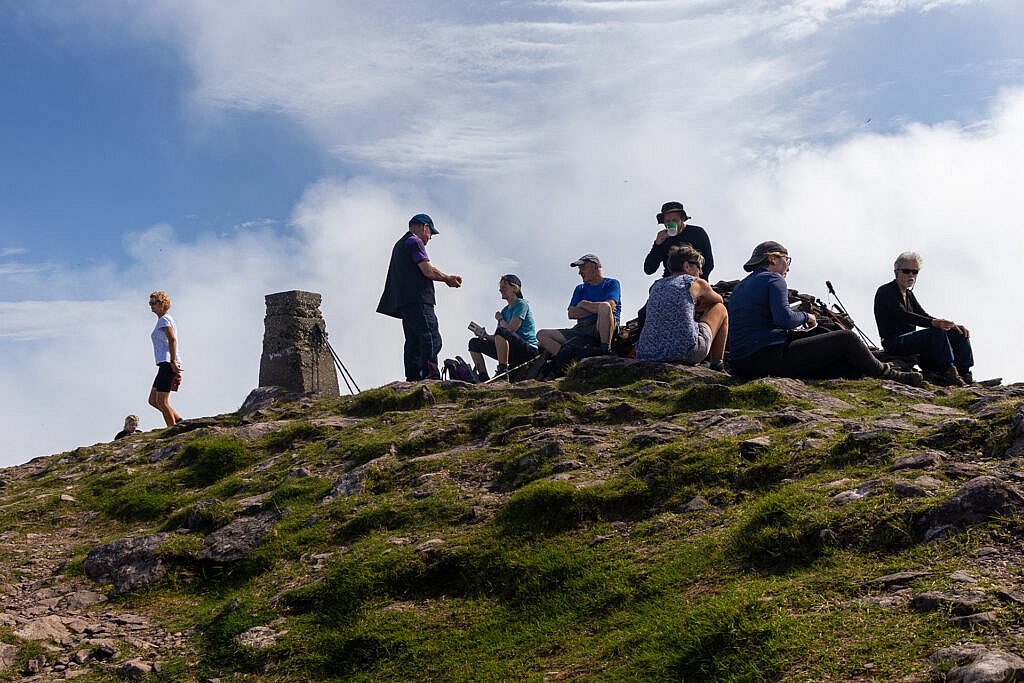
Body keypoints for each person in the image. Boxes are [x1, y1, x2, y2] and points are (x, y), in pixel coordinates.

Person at [727, 242, 922, 385]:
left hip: (741, 363)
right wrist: (807, 317)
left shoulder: (741, 287)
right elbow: (784, 319)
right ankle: (890, 374)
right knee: (846, 338)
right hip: (768, 358)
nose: (788, 265)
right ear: (773, 258)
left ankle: (861, 370)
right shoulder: (774, 280)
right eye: (786, 259)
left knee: (846, 368)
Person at [376, 213, 463, 381]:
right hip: (419, 301)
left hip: (405, 303)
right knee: (431, 337)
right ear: (425, 227)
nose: (429, 238)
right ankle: (431, 375)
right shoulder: (414, 242)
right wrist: (447, 279)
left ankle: (413, 378)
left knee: (413, 342)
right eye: (430, 233)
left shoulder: (400, 244)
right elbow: (427, 270)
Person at [873, 251, 974, 385]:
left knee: (958, 332)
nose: (911, 275)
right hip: (893, 342)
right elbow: (903, 315)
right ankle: (949, 372)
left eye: (915, 272)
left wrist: (950, 325)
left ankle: (964, 372)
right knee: (935, 331)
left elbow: (923, 316)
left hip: (911, 340)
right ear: (896, 272)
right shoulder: (885, 291)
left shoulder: (908, 295)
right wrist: (935, 323)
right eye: (906, 271)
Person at [636, 245, 728, 370]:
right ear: (686, 266)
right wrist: (702, 302)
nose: (700, 272)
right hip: (686, 352)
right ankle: (717, 363)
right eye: (699, 266)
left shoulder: (656, 286)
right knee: (720, 308)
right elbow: (718, 300)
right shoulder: (696, 282)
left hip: (647, 354)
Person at [537, 254, 621, 356]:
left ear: (594, 267)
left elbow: (611, 306)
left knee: (605, 307)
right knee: (542, 334)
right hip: (581, 329)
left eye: (583, 268)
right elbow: (571, 314)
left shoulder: (612, 283)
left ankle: (605, 350)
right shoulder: (580, 288)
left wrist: (583, 304)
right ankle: (565, 358)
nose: (579, 272)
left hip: (601, 326)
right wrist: (597, 309)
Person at [468, 274, 539, 380]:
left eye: (504, 286)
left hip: (528, 350)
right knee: (474, 343)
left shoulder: (521, 304)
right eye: (500, 287)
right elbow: (499, 338)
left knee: (501, 331)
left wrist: (500, 319)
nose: (501, 290)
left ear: (515, 288)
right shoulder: (504, 311)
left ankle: (502, 371)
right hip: (511, 349)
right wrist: (485, 335)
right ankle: (483, 377)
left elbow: (511, 329)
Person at [643, 201, 715, 280]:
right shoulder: (663, 239)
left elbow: (709, 263)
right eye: (667, 221)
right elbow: (649, 269)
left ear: (682, 219)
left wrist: (699, 282)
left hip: (696, 280)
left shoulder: (698, 233)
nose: (671, 224)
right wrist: (657, 245)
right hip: (671, 281)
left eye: (674, 220)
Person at [147, 290, 184, 426]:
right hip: (164, 363)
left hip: (167, 363)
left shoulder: (164, 320)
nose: (151, 305)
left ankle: (172, 429)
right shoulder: (164, 320)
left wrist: (173, 361)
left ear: (162, 304)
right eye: (150, 303)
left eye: (153, 302)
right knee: (153, 400)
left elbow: (172, 339)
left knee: (162, 401)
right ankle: (179, 421)